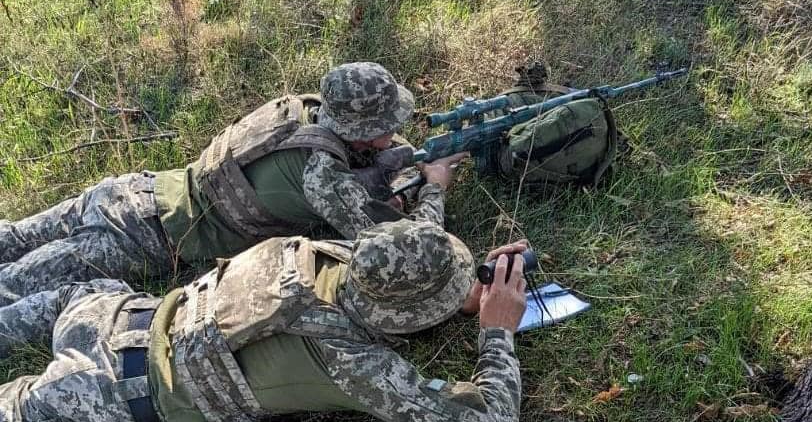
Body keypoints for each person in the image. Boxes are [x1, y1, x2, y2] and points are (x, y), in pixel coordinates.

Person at [0, 222, 529, 422]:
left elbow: (403, 259)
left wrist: (458, 288)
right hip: (100, 396)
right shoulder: (351, 360)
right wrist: (496, 332)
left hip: (107, 311)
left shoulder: (329, 254)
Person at [0, 62, 464, 306]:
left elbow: (372, 155)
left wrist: (392, 160)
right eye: (387, 124)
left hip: (130, 191)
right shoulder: (325, 179)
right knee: (11, 292)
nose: (396, 130)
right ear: (357, 129)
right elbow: (399, 248)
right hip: (137, 239)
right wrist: (434, 184)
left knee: (14, 237)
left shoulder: (302, 110)